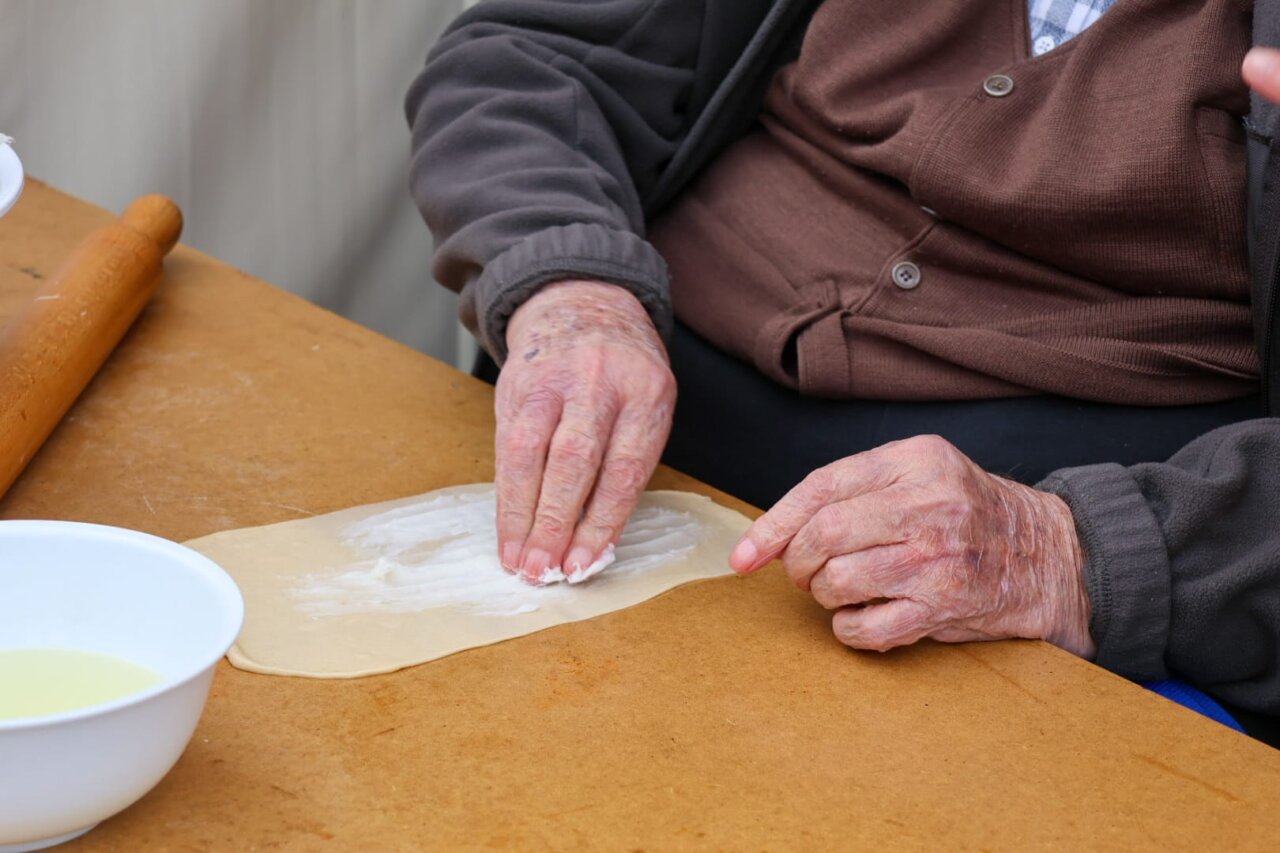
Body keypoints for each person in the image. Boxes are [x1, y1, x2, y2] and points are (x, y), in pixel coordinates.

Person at [405, 0, 1280, 727]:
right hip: (610, 416)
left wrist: (1076, 552)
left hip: (1022, 547)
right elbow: (533, 56)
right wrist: (571, 287)